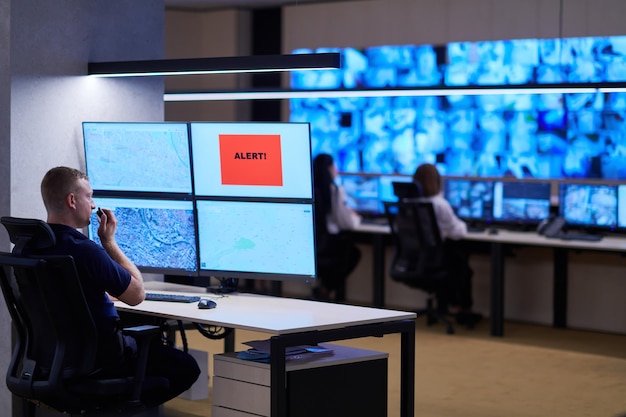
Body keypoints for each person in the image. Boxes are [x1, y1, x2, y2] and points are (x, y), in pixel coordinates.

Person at [38, 166, 200, 407]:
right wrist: (109, 242)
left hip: (52, 362)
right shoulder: (86, 251)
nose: (93, 205)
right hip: (104, 361)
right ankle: (119, 408)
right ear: (72, 200)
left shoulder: (32, 246)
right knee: (185, 366)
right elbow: (136, 294)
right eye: (89, 196)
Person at [412, 163, 482, 326]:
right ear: (437, 181)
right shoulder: (439, 204)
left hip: (416, 260)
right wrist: (465, 225)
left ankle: (453, 305)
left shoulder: (410, 202)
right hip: (436, 260)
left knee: (457, 258)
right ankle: (463, 309)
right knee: (461, 264)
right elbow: (458, 232)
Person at [312, 153, 362, 302]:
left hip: (313, 246)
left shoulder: (311, 190)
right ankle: (325, 289)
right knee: (353, 254)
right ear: (329, 168)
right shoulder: (334, 190)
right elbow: (347, 223)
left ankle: (323, 290)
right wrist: (357, 217)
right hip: (328, 246)